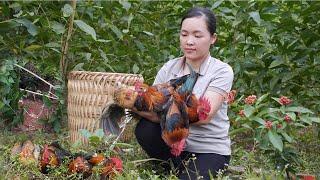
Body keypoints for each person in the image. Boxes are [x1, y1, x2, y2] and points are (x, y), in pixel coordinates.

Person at [134, 7, 234, 180]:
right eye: (184, 34)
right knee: (145, 128)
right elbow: (152, 106)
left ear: (213, 38)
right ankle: (169, 166)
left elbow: (204, 116)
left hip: (208, 150)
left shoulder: (222, 71)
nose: (189, 41)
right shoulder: (170, 67)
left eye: (197, 35)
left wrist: (164, 112)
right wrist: (136, 104)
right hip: (173, 145)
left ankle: (184, 171)